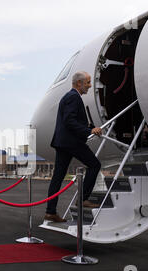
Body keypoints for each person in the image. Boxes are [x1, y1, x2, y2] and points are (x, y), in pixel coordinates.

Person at [45, 71, 102, 223]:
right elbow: (69, 121)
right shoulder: (73, 97)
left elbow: (73, 119)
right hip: (71, 142)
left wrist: (89, 126)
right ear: (79, 83)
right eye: (88, 82)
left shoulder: (70, 96)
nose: (90, 86)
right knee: (95, 165)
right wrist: (89, 131)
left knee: (58, 177)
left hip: (63, 142)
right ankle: (83, 199)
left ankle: (50, 212)